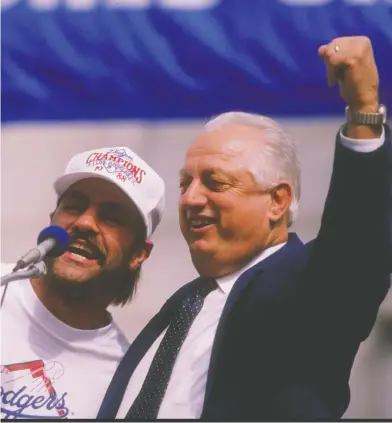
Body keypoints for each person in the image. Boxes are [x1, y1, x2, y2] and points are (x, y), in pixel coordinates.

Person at [97, 36, 391, 420]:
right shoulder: (185, 307)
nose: (190, 199)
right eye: (186, 183)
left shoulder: (309, 288)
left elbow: (358, 242)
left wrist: (363, 111)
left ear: (277, 201)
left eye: (215, 182)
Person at [0, 146, 165, 419]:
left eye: (112, 217)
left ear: (138, 254)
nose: (85, 223)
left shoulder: (124, 380)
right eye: (74, 206)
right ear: (52, 220)